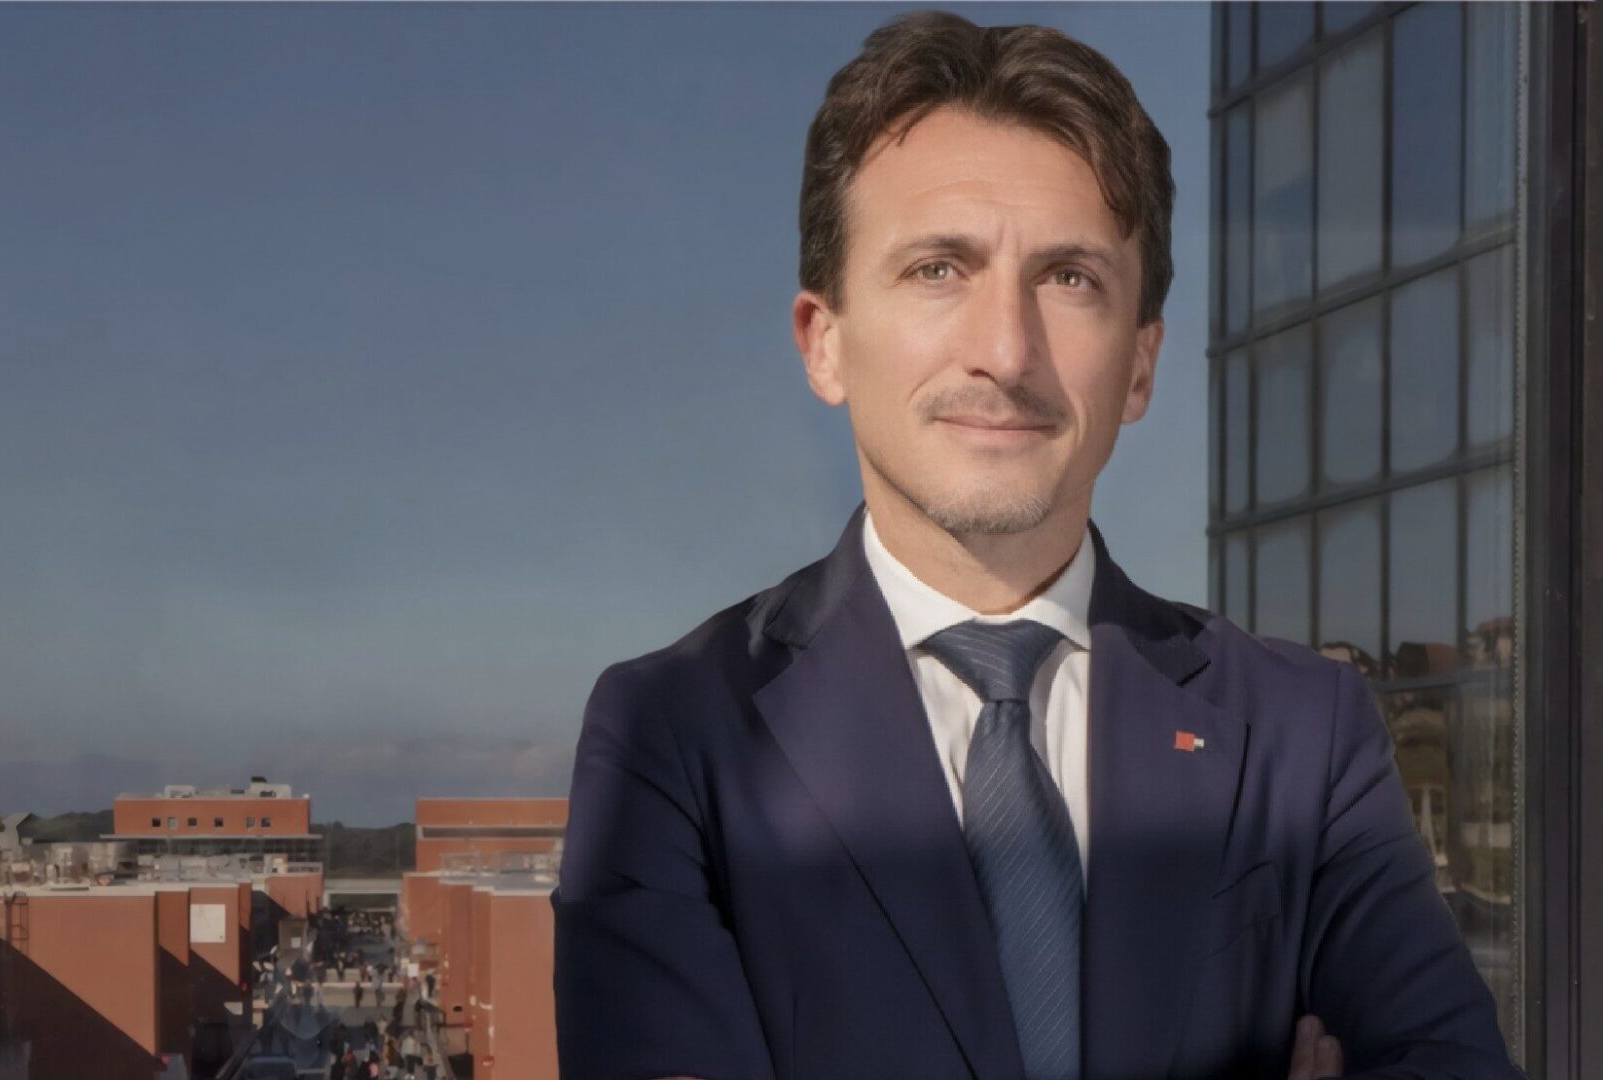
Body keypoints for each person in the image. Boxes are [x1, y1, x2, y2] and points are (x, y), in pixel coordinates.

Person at [549, 11, 1521, 1080]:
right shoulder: (678, 740)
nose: (1006, 351)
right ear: (824, 343)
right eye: (936, 269)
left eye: (1069, 279)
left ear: (1140, 367)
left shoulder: (1304, 737)